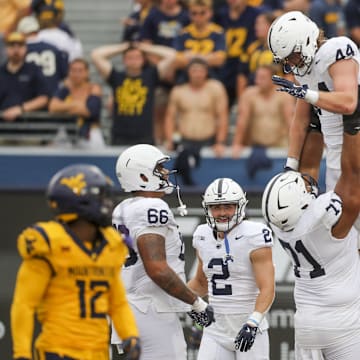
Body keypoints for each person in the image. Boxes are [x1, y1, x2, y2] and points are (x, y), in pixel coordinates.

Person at [11, 164, 140, 360]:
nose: (107, 203)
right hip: (59, 350)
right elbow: (24, 305)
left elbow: (117, 302)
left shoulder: (110, 244)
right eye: (100, 197)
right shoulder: (48, 243)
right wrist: (22, 353)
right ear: (81, 201)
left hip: (97, 351)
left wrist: (130, 335)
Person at [261, 113, 360, 358]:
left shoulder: (281, 225)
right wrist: (352, 127)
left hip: (306, 322)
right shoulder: (322, 220)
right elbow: (353, 177)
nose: (307, 185)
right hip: (342, 322)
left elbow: (308, 169)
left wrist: (314, 126)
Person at [111, 143, 215, 360]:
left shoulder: (123, 208)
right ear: (142, 175)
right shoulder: (152, 207)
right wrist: (197, 303)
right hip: (150, 309)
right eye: (159, 168)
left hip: (131, 306)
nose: (165, 172)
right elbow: (156, 268)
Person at [268, 10, 360, 231]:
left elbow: (349, 103)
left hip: (354, 143)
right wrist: (291, 166)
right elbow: (300, 122)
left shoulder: (335, 50)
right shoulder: (304, 70)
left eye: (293, 55)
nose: (291, 63)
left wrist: (306, 94)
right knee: (345, 235)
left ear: (307, 40)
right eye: (286, 59)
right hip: (338, 157)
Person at [188, 177, 275, 359]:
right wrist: (181, 300)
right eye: (216, 207)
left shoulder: (254, 234)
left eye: (228, 206)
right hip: (215, 330)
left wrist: (253, 323)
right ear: (207, 208)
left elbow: (267, 288)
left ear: (240, 206)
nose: (222, 213)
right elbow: (201, 283)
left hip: (249, 326)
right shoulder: (202, 236)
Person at [91, 41, 176, 146]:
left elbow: (171, 55)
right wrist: (124, 47)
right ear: (124, 60)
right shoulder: (116, 77)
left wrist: (143, 47)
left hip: (145, 137)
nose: (133, 61)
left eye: (137, 57)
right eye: (130, 57)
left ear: (143, 60)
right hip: (119, 137)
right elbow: (96, 55)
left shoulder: (151, 76)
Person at [164, 57, 228, 185]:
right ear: (188, 72)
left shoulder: (215, 88)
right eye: (194, 70)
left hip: (208, 140)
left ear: (206, 72)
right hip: (184, 141)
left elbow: (222, 116)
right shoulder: (178, 90)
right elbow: (170, 117)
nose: (197, 74)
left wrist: (220, 142)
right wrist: (169, 139)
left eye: (201, 71)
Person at [231, 64, 293, 178]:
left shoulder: (284, 95)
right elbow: (242, 120)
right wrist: (237, 144)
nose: (257, 81)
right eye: (257, 77)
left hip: (280, 144)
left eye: (262, 78)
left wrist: (294, 148)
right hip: (256, 145)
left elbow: (290, 122)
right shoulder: (249, 94)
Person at [48, 58, 106, 149]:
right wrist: (76, 105)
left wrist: (64, 109)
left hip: (90, 134)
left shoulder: (93, 88)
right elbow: (53, 107)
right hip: (67, 133)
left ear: (87, 72)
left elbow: (89, 111)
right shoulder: (65, 89)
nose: (76, 74)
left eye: (80, 71)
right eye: (73, 70)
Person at [0, 31, 49, 122]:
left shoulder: (34, 70)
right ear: (6, 49)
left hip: (28, 127)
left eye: (20, 46)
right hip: (2, 126)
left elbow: (43, 98)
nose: (16, 50)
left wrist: (20, 109)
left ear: (25, 48)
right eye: (12, 46)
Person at [17, 15, 69, 95]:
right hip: (54, 93)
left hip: (30, 96)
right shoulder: (53, 48)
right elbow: (65, 75)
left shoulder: (20, 51)